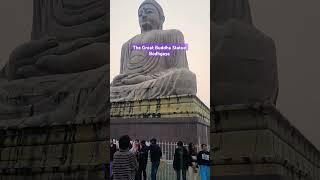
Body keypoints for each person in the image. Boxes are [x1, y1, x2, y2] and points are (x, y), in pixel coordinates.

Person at [110, 0, 197, 102]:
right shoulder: (126, 45)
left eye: (149, 12)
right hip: (127, 88)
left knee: (186, 78)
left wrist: (144, 79)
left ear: (161, 19)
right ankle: (130, 95)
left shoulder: (173, 34)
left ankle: (130, 96)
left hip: (154, 83)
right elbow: (123, 77)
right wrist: (118, 81)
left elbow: (180, 69)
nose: (143, 16)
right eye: (140, 14)